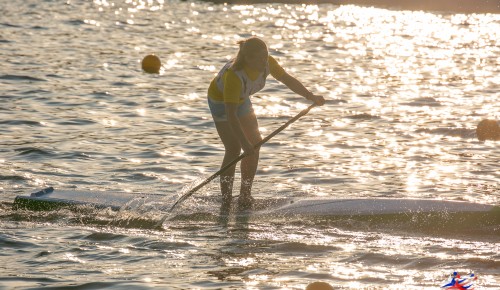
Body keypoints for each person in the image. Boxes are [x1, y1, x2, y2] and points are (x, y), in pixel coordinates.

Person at [207, 37, 325, 208]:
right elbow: (231, 115)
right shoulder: (234, 76)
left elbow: (288, 79)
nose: (265, 61)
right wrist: (243, 142)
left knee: (255, 144)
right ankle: (226, 201)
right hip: (221, 103)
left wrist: (310, 96)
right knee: (234, 149)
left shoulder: (268, 62)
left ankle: (245, 196)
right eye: (260, 58)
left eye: (266, 56)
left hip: (242, 99)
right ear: (247, 59)